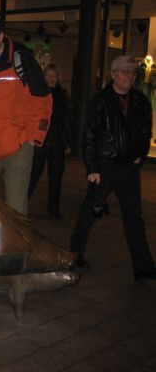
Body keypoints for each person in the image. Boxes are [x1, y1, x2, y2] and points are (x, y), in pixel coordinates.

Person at [70, 55, 156, 281]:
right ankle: (74, 254)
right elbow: (88, 136)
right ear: (114, 74)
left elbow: (146, 131)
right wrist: (92, 168)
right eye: (125, 72)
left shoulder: (140, 102)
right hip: (105, 167)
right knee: (89, 211)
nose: (130, 77)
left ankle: (143, 266)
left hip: (129, 168)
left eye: (132, 73)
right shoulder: (101, 101)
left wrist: (140, 154)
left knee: (134, 218)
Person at [0, 14, 52, 215]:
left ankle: (15, 247)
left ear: (1, 36)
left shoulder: (22, 60)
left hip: (17, 147)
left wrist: (33, 138)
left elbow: (43, 101)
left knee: (16, 210)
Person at [27, 64, 73, 218]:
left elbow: (66, 120)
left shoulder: (62, 95)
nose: (51, 79)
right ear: (44, 76)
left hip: (58, 142)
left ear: (58, 78)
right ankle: (21, 203)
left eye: (54, 76)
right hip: (41, 140)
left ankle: (53, 209)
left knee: (56, 178)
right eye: (48, 75)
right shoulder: (38, 93)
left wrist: (67, 142)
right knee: (33, 174)